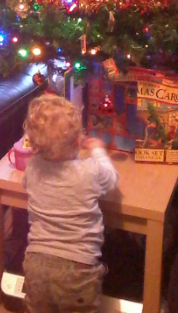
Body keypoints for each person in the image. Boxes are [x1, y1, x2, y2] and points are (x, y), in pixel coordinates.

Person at [22, 93, 119, 313]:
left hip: (36, 264)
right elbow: (111, 179)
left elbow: (25, 184)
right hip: (78, 269)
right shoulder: (89, 171)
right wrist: (97, 150)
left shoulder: (33, 167)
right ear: (78, 141)